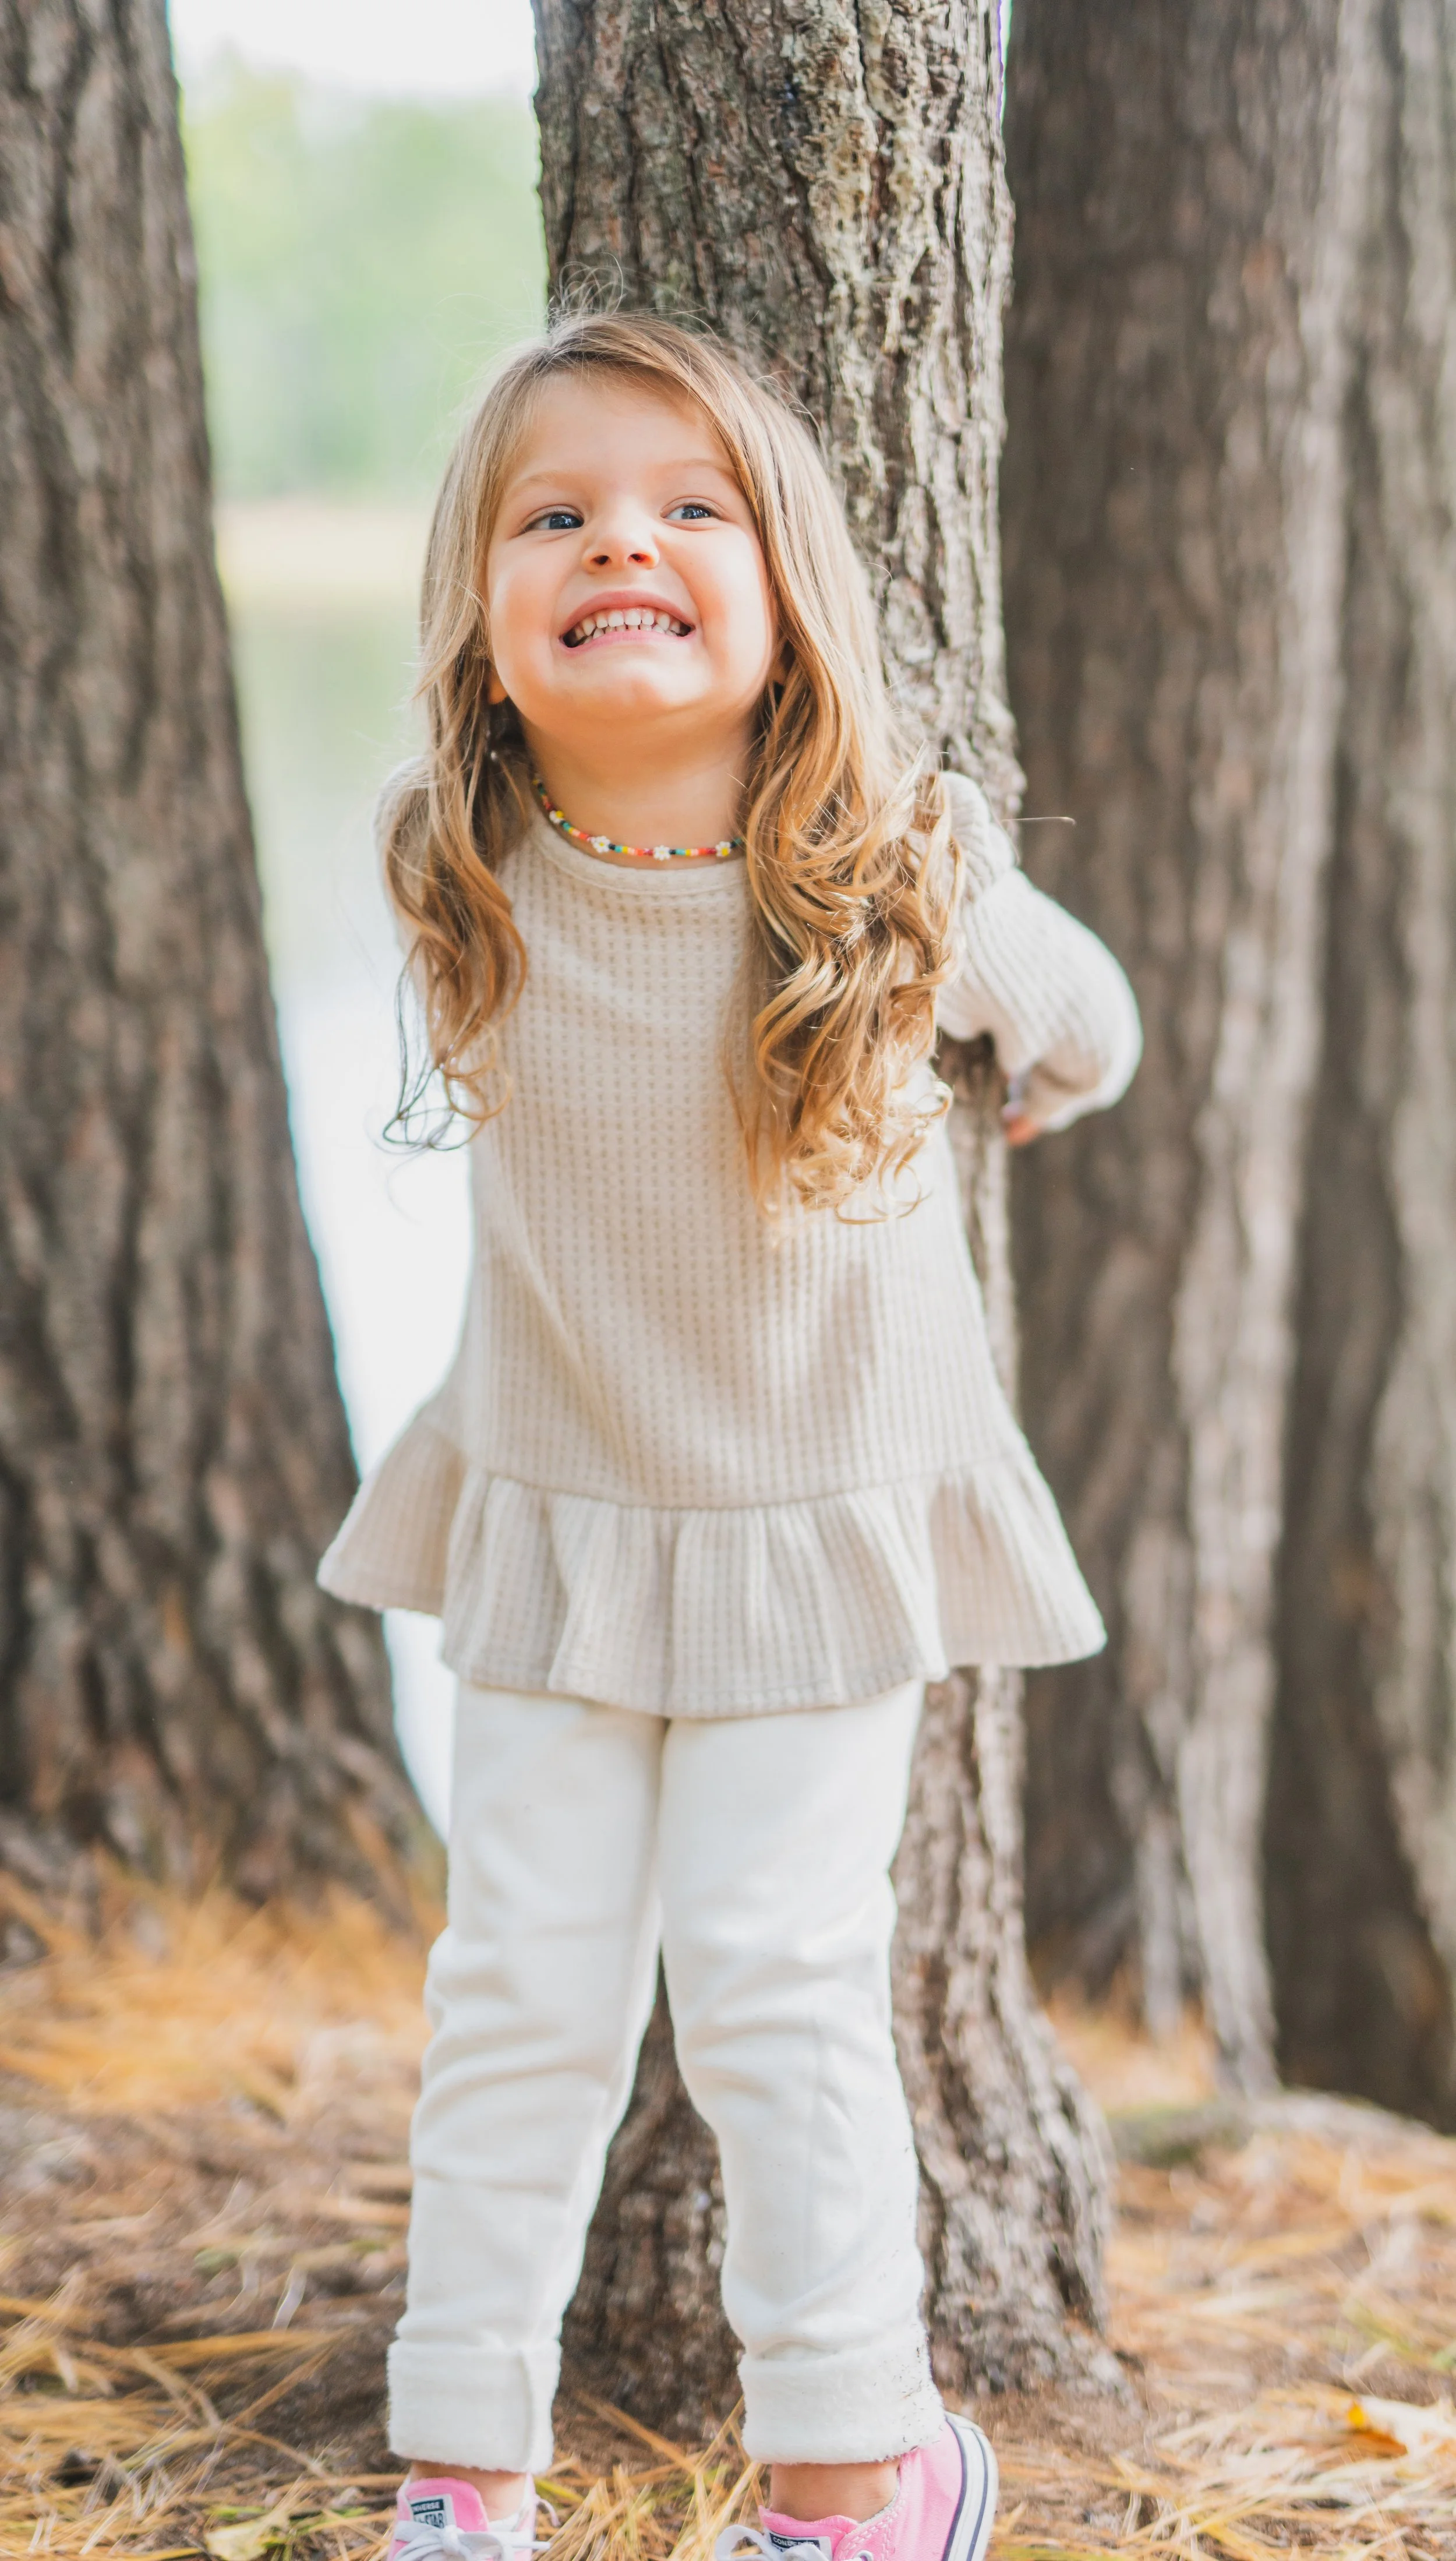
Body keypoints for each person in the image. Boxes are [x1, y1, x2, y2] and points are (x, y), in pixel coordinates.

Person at [319, 311, 1140, 2561]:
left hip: (809, 1532)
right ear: (485, 635)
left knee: (779, 1981)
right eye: (556, 514)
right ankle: (464, 2465)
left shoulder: (888, 873)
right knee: (519, 1986)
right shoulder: (458, 868)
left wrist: (1031, 1068)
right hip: (563, 1523)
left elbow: (1091, 1020)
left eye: (693, 510)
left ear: (786, 611)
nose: (625, 544)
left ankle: (851, 2467)